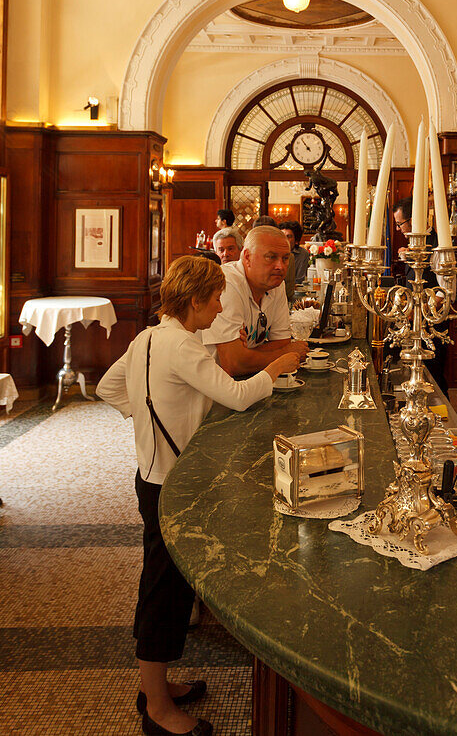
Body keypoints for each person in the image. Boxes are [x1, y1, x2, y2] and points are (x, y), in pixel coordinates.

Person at [96, 255, 298, 736]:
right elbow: (239, 395)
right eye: (213, 301)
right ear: (193, 301)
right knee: (163, 591)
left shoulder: (148, 337)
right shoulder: (184, 347)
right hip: (172, 484)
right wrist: (278, 366)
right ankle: (158, 710)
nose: (218, 308)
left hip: (151, 477)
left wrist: (147, 416)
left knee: (171, 582)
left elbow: (108, 388)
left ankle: (158, 686)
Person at [200, 225, 308, 375]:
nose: (280, 266)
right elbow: (233, 364)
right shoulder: (226, 283)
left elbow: (282, 342)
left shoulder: (276, 284)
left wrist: (247, 353)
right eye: (271, 257)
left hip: (244, 384)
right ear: (247, 257)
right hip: (204, 390)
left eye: (285, 258)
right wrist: (284, 354)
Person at [392, 196, 449, 395]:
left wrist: (419, 312)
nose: (398, 229)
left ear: (413, 220)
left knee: (433, 377)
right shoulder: (415, 245)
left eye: (400, 224)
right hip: (415, 322)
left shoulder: (439, 244)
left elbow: (445, 290)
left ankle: (445, 419)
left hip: (432, 324)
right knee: (416, 376)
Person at [279, 220, 309, 284]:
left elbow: (300, 279)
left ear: (296, 240)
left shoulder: (303, 254)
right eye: (282, 236)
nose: (284, 239)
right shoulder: (273, 252)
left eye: (288, 236)